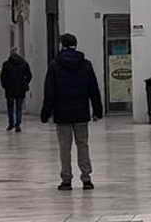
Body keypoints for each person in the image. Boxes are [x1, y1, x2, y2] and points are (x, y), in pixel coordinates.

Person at [40, 33, 103, 191]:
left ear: (62, 45)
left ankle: (66, 180)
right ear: (76, 44)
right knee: (83, 145)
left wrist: (46, 113)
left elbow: (49, 92)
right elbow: (93, 89)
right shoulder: (86, 64)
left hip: (62, 114)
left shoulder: (55, 65)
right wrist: (97, 110)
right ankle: (86, 178)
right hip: (81, 112)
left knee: (64, 147)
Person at [0, 48, 33, 132]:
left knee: (10, 107)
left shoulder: (6, 64)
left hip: (9, 89)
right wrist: (25, 83)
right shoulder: (24, 64)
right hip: (20, 89)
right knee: (19, 108)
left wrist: (4, 85)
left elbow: (2, 77)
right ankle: (18, 124)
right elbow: (29, 75)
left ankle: (11, 123)